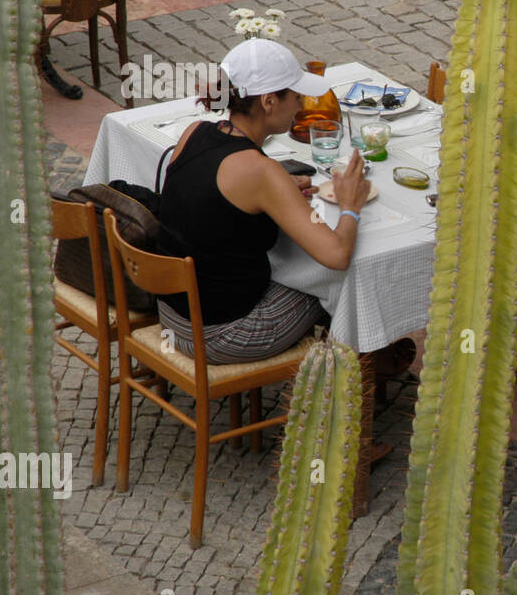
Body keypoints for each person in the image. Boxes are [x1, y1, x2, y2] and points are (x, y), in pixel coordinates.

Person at [156, 39, 370, 364]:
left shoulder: (194, 131)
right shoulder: (261, 172)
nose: (300, 105)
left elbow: (214, 198)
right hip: (223, 334)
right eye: (296, 96)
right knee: (344, 281)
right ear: (269, 101)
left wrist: (279, 191)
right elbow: (337, 255)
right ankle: (364, 372)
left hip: (172, 316)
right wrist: (351, 204)